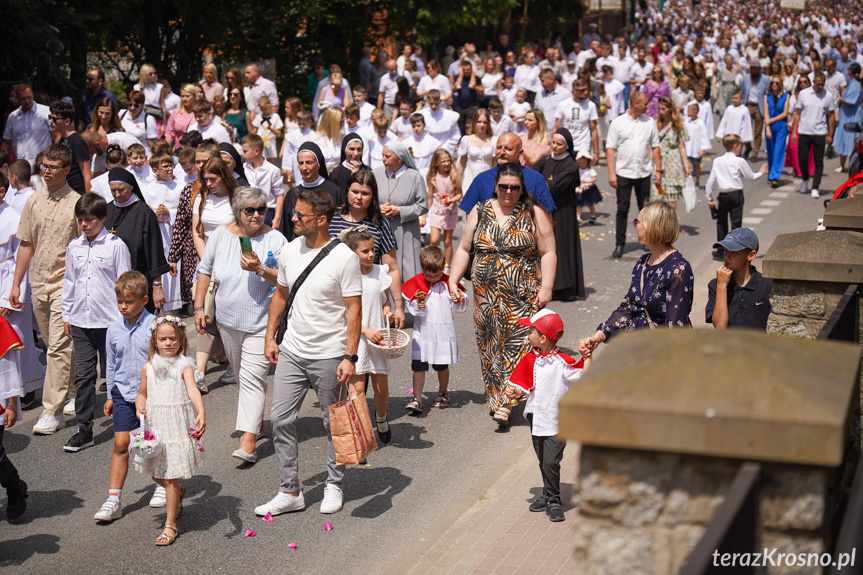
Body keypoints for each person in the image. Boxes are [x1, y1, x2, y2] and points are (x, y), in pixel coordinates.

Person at [256, 188, 362, 517]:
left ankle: (334, 484)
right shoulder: (289, 251)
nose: (293, 219)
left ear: (320, 220)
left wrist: (350, 356)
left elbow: (354, 310)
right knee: (281, 419)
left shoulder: (345, 257)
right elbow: (280, 295)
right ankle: (290, 491)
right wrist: (270, 336)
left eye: (300, 215)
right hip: (292, 351)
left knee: (334, 423)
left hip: (330, 354)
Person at [448, 162, 556, 427]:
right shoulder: (480, 210)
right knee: (490, 348)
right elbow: (464, 248)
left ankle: (506, 404)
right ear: (495, 186)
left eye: (514, 187)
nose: (508, 191)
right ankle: (498, 398)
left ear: (522, 189)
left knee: (516, 346)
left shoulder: (533, 213)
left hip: (522, 295)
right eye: (504, 186)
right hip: (485, 296)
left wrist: (547, 288)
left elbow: (548, 251)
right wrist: (452, 280)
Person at [195, 187, 286, 462]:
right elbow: (205, 271)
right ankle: (254, 421)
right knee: (240, 375)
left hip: (262, 323)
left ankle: (248, 442)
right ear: (238, 211)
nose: (257, 215)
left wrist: (260, 269)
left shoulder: (276, 239)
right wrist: (199, 307)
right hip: (227, 322)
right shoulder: (221, 236)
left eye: (262, 209)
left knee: (252, 378)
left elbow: (285, 280)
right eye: (251, 210)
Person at [12, 143, 79, 435]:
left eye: (53, 167)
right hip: (37, 282)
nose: (47, 171)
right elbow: (26, 243)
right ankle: (76, 388)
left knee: (58, 346)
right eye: (44, 166)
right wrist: (16, 284)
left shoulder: (78, 202)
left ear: (66, 170)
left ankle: (50, 410)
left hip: (65, 284)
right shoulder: (33, 201)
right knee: (55, 344)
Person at [61, 194, 131, 452]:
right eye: (80, 219)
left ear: (102, 218)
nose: (84, 224)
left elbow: (126, 284)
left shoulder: (115, 245)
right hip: (81, 320)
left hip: (110, 320)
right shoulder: (74, 247)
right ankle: (84, 429)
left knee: (116, 373)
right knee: (84, 376)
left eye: (89, 219)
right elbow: (70, 282)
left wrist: (127, 318)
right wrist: (66, 314)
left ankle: (127, 422)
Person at [506, 309, 589, 523]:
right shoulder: (532, 358)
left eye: (531, 331)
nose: (528, 334)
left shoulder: (562, 361)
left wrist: (587, 357)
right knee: (543, 460)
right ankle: (547, 493)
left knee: (552, 461)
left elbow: (583, 375)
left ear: (542, 338)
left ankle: (554, 500)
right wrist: (515, 391)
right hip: (537, 417)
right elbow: (524, 386)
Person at [579, 201, 694, 354]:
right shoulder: (643, 262)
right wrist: (600, 335)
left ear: (652, 226)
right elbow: (629, 306)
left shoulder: (678, 268)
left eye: (637, 222)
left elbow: (676, 328)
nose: (634, 225)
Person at [134, 314, 206, 546]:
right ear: (155, 341)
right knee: (156, 473)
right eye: (163, 339)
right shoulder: (148, 367)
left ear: (181, 340)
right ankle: (179, 490)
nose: (168, 343)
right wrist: (140, 404)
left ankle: (170, 524)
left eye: (173, 339)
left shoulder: (184, 366)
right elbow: (142, 392)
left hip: (176, 425)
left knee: (168, 476)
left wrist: (201, 411)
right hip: (156, 424)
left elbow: (193, 390)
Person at [329, 169, 406, 328]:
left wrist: (398, 307)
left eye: (365, 193)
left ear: (373, 196)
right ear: (347, 191)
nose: (358, 197)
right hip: (335, 296)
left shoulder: (380, 223)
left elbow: (391, 268)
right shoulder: (332, 219)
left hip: (369, 298)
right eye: (354, 191)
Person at [340, 226, 393, 444]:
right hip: (357, 338)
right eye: (365, 251)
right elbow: (342, 314)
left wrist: (388, 310)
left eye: (372, 250)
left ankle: (381, 418)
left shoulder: (380, 272)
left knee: (380, 389)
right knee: (357, 389)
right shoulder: (345, 275)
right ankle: (360, 433)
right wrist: (364, 330)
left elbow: (385, 300)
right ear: (353, 253)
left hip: (378, 336)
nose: (371, 254)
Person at [403, 246, 468, 413]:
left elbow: (460, 305)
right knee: (418, 365)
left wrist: (458, 299)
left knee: (441, 365)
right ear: (422, 268)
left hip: (442, 333)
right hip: (423, 333)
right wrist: (418, 305)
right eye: (428, 275)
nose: (432, 279)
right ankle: (417, 398)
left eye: (436, 275)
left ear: (442, 269)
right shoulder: (417, 283)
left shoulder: (448, 283)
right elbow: (411, 306)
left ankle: (443, 392)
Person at [105, 168, 171, 313]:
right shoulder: (106, 210)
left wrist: (157, 287)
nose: (117, 194)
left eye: (121, 190)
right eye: (113, 190)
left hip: (138, 282)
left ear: (131, 188)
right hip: (109, 283)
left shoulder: (144, 214)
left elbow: (154, 252)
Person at [607, 92, 662, 259]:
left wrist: (658, 170)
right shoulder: (618, 123)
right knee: (622, 209)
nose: (647, 106)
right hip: (624, 172)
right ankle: (619, 243)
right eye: (645, 103)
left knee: (644, 210)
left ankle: (646, 241)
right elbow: (610, 148)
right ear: (635, 104)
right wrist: (611, 173)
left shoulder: (649, 122)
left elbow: (655, 146)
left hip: (644, 172)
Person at [534, 129, 586, 301]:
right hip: (546, 209)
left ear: (567, 146)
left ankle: (565, 287)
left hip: (563, 212)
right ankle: (550, 284)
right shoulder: (545, 160)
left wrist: (544, 183)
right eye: (553, 143)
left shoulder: (571, 164)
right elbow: (533, 179)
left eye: (559, 144)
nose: (555, 146)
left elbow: (553, 186)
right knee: (546, 246)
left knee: (562, 246)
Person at [459, 133, 557, 214]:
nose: (502, 152)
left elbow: (547, 212)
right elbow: (470, 212)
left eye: (508, 149)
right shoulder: (482, 179)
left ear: (520, 152)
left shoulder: (535, 179)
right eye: (499, 148)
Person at [706, 135, 768, 260]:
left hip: (723, 195)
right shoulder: (740, 161)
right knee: (736, 223)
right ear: (735, 146)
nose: (741, 148)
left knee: (721, 222)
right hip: (736, 194)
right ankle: (735, 251)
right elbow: (750, 176)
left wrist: (709, 197)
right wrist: (760, 172)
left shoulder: (718, 161)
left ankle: (720, 251)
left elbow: (711, 181)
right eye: (740, 146)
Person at [372, 142, 429, 281]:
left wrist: (400, 210)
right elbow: (368, 200)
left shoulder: (414, 177)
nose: (383, 159)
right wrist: (378, 208)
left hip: (407, 231)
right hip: (381, 229)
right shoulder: (375, 174)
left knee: (408, 271)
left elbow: (422, 206)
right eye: (382, 155)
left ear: (399, 158)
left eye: (387, 156)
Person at [706, 228, 773, 330]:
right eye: (725, 251)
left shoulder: (767, 285)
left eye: (734, 253)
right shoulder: (716, 285)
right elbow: (720, 327)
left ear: (751, 255)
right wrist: (722, 286)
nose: (727, 257)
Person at [142, 153, 183, 312]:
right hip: (155, 232)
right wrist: (154, 214)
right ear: (155, 170)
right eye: (165, 167)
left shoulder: (178, 187)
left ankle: (173, 304)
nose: (170, 168)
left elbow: (185, 212)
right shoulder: (147, 189)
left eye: (170, 165)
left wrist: (169, 213)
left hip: (170, 233)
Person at [279, 142, 342, 242]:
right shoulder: (292, 194)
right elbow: (285, 229)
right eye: (301, 163)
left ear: (318, 164)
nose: (304, 168)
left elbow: (340, 225)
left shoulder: (333, 191)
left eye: (309, 162)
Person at [791, 72, 835, 199]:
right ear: (813, 82)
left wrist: (831, 134)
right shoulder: (804, 94)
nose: (820, 87)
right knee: (802, 159)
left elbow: (831, 115)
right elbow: (797, 113)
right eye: (818, 84)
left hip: (820, 132)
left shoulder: (828, 95)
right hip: (804, 131)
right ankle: (805, 179)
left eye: (822, 84)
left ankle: (815, 187)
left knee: (818, 161)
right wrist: (794, 131)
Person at [427, 149, 462, 271]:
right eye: (443, 161)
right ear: (437, 163)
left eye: (448, 160)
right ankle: (431, 261)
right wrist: (424, 214)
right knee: (434, 240)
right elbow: (430, 197)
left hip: (450, 211)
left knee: (447, 241)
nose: (447, 163)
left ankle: (447, 266)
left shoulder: (454, 176)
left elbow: (459, 194)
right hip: (437, 210)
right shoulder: (432, 177)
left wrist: (451, 200)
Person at [653, 97, 691, 211]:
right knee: (657, 192)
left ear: (670, 109)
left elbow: (682, 146)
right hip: (659, 160)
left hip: (673, 162)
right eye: (659, 109)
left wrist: (686, 166)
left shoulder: (677, 125)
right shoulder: (657, 124)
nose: (661, 112)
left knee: (671, 195)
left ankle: (671, 222)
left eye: (663, 109)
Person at [1, 86, 52, 168]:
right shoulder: (13, 117)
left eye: (29, 97)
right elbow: (7, 143)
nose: (27, 101)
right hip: (21, 167)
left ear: (33, 95)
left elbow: (56, 135)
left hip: (42, 166)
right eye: (23, 99)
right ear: (17, 98)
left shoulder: (46, 112)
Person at [552, 79, 600, 166]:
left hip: (583, 146)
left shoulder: (591, 106)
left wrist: (596, 152)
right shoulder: (563, 105)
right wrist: (553, 147)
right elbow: (556, 128)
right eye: (582, 90)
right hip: (565, 146)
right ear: (574, 91)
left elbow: (594, 130)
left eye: (586, 89)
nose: (586, 92)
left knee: (583, 176)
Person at [49, 101, 92, 194]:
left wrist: (88, 200)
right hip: (64, 192)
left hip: (77, 193)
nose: (51, 121)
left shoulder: (77, 141)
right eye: (50, 117)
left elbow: (86, 174)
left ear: (67, 121)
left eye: (54, 119)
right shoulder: (61, 140)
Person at [242, 134, 285, 228]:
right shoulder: (244, 168)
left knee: (265, 240)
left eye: (245, 151)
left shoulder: (273, 170)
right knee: (247, 239)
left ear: (256, 151)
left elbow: (279, 194)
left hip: (266, 212)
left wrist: (276, 218)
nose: (243, 154)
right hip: (247, 211)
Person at [741, 61, 771, 160]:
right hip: (748, 105)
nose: (754, 70)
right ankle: (748, 147)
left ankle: (755, 152)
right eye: (752, 68)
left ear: (759, 69)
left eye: (756, 68)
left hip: (759, 106)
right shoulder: (746, 78)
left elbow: (768, 93)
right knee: (745, 130)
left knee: (758, 132)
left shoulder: (765, 79)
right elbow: (742, 91)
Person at [764, 76, 791, 187]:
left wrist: (770, 120)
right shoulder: (767, 97)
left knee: (778, 151)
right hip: (770, 126)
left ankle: (775, 176)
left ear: (780, 85)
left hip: (781, 126)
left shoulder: (786, 96)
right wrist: (768, 128)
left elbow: (785, 113)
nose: (775, 84)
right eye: (773, 83)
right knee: (770, 152)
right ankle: (771, 173)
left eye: (777, 83)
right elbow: (766, 114)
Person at [835, 63, 863, 173]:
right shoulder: (853, 83)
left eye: (850, 69)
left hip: (852, 117)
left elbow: (850, 101)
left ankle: (849, 164)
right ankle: (842, 164)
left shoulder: (855, 85)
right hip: (847, 115)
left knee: (850, 141)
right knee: (845, 140)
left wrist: (841, 100)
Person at [419, 90, 461, 154]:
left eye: (436, 103)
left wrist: (445, 148)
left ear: (440, 101)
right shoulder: (422, 115)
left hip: (444, 150)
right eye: (431, 104)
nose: (434, 106)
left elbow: (455, 134)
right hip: (427, 150)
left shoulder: (450, 116)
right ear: (427, 101)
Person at [328, 132, 365, 197]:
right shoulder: (335, 174)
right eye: (352, 149)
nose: (356, 153)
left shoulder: (368, 171)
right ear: (345, 149)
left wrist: (358, 175)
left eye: (359, 149)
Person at [251, 97, 283, 165]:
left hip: (270, 142)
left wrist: (271, 129)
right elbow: (255, 129)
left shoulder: (275, 117)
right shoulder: (259, 117)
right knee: (260, 162)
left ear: (270, 106)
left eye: (265, 109)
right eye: (261, 109)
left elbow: (279, 134)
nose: (263, 111)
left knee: (270, 163)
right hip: (260, 142)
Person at [684, 102, 708, 188]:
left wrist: (702, 149)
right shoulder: (687, 122)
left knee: (697, 166)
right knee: (687, 165)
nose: (687, 112)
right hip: (688, 148)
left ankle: (697, 181)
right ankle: (687, 182)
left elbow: (704, 136)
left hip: (697, 149)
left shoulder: (700, 123)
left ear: (694, 112)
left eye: (689, 111)